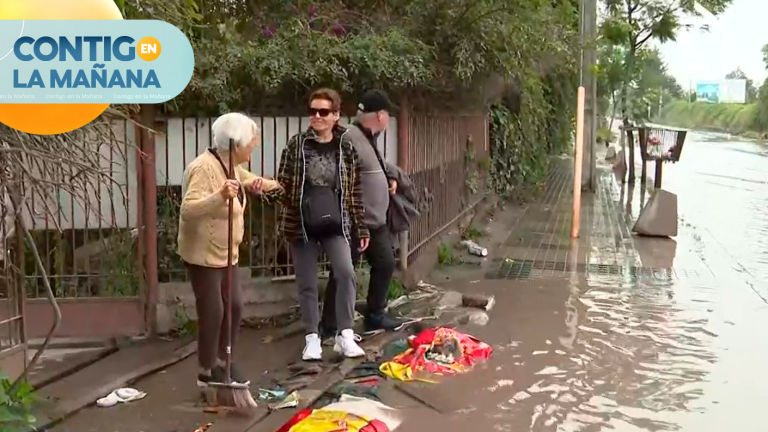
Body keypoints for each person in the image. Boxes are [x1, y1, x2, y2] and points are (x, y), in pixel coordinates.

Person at [259, 88, 370, 361]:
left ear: (336, 116)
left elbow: (354, 191)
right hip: (302, 223)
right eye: (312, 111)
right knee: (307, 282)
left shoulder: (346, 147)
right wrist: (266, 190)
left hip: (336, 222)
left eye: (323, 111)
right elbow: (284, 184)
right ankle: (312, 338)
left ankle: (345, 335)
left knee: (345, 273)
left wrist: (361, 226)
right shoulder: (297, 145)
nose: (316, 116)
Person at [177, 112, 280, 388]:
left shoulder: (230, 165)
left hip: (226, 254)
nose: (255, 144)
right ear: (236, 144)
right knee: (213, 311)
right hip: (203, 255)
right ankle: (206, 369)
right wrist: (220, 196)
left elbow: (249, 180)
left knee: (233, 306)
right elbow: (188, 210)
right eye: (251, 140)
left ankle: (224, 360)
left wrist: (277, 186)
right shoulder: (204, 168)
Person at [319, 90, 403, 340]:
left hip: (374, 222)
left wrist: (389, 176)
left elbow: (374, 165)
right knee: (343, 273)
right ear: (380, 115)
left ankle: (375, 314)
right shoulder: (350, 138)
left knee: (385, 263)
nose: (388, 120)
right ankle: (330, 326)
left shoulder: (367, 137)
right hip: (355, 221)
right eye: (388, 115)